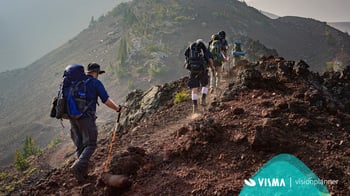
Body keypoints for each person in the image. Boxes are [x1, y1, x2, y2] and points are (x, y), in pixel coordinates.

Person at [69, 62, 125, 182]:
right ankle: (77, 167)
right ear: (96, 73)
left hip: (72, 118)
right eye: (98, 73)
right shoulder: (95, 82)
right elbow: (106, 100)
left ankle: (82, 175)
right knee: (91, 144)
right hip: (86, 117)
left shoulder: (76, 82)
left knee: (81, 145)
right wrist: (118, 108)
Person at [184, 39, 214, 113]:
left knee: (194, 89)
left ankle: (195, 107)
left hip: (192, 70)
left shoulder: (190, 48)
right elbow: (209, 58)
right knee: (205, 84)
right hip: (202, 70)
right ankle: (203, 99)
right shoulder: (203, 47)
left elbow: (186, 57)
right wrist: (212, 67)